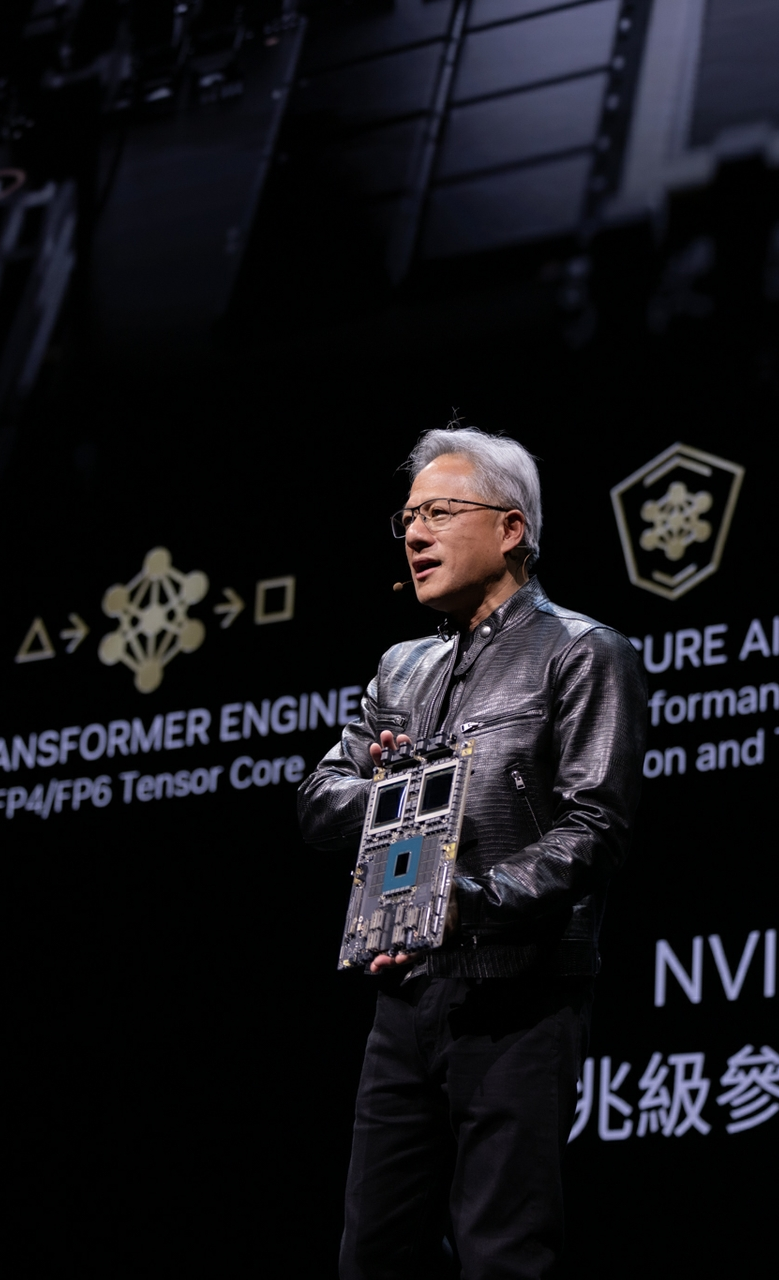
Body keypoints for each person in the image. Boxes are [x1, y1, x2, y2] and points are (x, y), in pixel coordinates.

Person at [298, 426, 646, 1279]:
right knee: (373, 1254)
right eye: (408, 519)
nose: (414, 535)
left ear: (511, 529)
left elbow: (594, 829)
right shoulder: (402, 668)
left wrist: (472, 902)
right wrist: (393, 791)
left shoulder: (581, 652)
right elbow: (319, 800)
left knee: (502, 1251)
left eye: (439, 513)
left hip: (522, 993)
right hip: (404, 997)